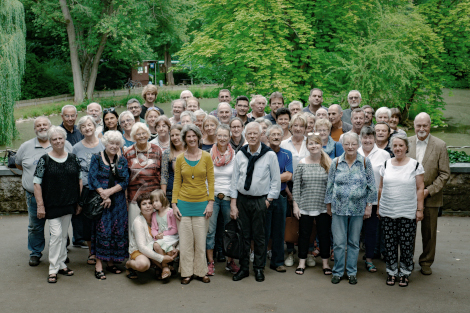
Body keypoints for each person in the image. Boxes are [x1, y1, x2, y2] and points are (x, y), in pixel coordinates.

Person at [15, 117, 73, 267]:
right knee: (35, 225)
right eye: (38, 125)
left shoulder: (63, 143)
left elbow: (73, 164)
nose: (42, 127)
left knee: (59, 227)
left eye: (44, 124)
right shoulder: (25, 146)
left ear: (50, 126)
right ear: (34, 129)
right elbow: (19, 164)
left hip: (59, 197)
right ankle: (35, 252)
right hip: (34, 196)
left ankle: (61, 253)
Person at [230, 122, 281, 282]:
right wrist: (233, 203)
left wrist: (268, 200)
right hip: (243, 200)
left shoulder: (269, 155)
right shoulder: (240, 154)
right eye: (249, 133)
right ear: (245, 135)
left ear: (261, 135)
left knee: (259, 236)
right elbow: (234, 180)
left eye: (255, 134)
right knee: (243, 235)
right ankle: (244, 268)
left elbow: (276, 181)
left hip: (261, 200)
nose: (252, 136)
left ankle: (259, 268)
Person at [325, 132, 377, 285]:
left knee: (354, 242)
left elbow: (372, 187)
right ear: (343, 145)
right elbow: (329, 185)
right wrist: (328, 205)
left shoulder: (365, 162)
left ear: (358, 145)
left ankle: (352, 272)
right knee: (339, 242)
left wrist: (369, 207)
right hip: (338, 208)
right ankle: (338, 271)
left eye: (353, 144)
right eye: (346, 144)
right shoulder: (335, 162)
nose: (350, 147)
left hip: (358, 208)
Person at [33, 126, 82, 283]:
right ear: (50, 141)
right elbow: (36, 183)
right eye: (54, 139)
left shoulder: (73, 158)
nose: (58, 141)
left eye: (60, 138)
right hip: (52, 204)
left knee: (63, 235)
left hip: (69, 202)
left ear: (64, 139)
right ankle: (53, 268)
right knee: (55, 235)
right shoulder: (44, 159)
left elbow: (79, 180)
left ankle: (62, 263)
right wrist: (40, 206)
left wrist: (79, 201)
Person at [378, 134, 425, 286]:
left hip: (407, 212)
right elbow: (381, 187)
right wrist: (379, 207)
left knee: (406, 245)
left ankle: (404, 273)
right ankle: (391, 272)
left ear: (406, 147)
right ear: (391, 148)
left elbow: (420, 188)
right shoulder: (385, 164)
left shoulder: (415, 165)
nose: (398, 149)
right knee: (390, 245)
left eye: (401, 146)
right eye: (395, 146)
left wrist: (420, 209)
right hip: (388, 211)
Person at [407, 112, 450, 276]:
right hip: (408, 196)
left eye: (425, 125)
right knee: (408, 231)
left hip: (431, 198)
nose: (422, 128)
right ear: (414, 125)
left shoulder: (440, 145)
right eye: (419, 125)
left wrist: (428, 191)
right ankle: (407, 260)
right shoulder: (407, 143)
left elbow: (445, 174)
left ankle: (426, 262)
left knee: (429, 233)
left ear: (430, 126)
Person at [172, 124, 215, 284]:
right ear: (185, 139)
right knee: (185, 242)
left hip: (202, 204)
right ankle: (186, 272)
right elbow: (176, 182)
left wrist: (210, 203)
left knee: (200, 241)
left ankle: (201, 271)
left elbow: (211, 181)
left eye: (194, 136)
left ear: (198, 137)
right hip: (183, 204)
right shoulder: (180, 159)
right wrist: (174, 204)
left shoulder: (206, 156)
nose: (191, 139)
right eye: (188, 136)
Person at [89, 131, 129, 280]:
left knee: (116, 230)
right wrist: (103, 194)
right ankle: (99, 264)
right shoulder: (97, 158)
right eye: (111, 143)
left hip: (117, 202)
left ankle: (111, 263)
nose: (114, 146)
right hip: (102, 201)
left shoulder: (122, 160)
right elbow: (92, 178)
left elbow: (125, 181)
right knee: (103, 231)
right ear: (105, 143)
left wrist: (109, 193)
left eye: (117, 143)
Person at [292, 133, 332, 275]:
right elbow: (296, 186)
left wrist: (330, 205)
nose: (313, 146)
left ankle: (325, 264)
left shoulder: (328, 163)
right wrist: (296, 206)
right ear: (307, 146)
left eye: (316, 143)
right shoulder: (302, 164)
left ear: (321, 145)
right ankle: (301, 262)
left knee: (324, 235)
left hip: (323, 206)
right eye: (310, 144)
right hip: (305, 205)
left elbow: (332, 187)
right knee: (304, 235)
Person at [206, 124, 239, 276]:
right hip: (211, 198)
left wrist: (233, 203)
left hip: (227, 197)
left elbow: (235, 180)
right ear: (216, 136)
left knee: (230, 231)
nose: (222, 138)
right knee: (210, 231)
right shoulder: (207, 155)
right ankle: (210, 262)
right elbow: (205, 179)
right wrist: (208, 201)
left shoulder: (235, 156)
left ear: (229, 137)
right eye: (220, 135)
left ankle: (229, 261)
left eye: (225, 135)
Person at [357, 126, 391, 273]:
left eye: (370, 137)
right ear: (360, 138)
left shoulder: (384, 155)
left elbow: (387, 178)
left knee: (371, 231)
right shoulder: (354, 152)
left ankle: (369, 259)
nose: (367, 140)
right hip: (356, 201)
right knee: (354, 232)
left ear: (375, 138)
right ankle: (351, 260)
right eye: (365, 137)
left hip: (375, 201)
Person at [73, 116, 105, 266]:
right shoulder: (76, 148)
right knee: (87, 223)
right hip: (85, 190)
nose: (87, 128)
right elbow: (74, 171)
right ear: (80, 130)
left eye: (89, 125)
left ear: (95, 125)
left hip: (103, 189)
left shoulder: (104, 144)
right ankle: (92, 252)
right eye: (83, 126)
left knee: (103, 222)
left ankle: (104, 251)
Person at [124, 122, 163, 239]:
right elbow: (125, 176)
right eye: (138, 134)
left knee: (155, 227)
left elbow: (161, 173)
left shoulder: (157, 150)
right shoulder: (128, 152)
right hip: (135, 197)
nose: (141, 136)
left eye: (143, 133)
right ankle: (135, 252)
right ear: (133, 137)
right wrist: (126, 198)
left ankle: (154, 252)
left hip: (154, 196)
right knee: (135, 227)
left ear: (148, 134)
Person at [280, 113, 309, 267]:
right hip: (288, 187)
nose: (298, 128)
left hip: (308, 186)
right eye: (295, 125)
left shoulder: (310, 143)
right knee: (290, 218)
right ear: (291, 127)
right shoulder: (284, 144)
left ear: (305, 128)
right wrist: (288, 192)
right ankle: (290, 252)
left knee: (308, 220)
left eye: (301, 126)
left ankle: (308, 251)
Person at [126, 193, 175, 280]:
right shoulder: (138, 222)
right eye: (144, 204)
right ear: (139, 207)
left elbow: (170, 234)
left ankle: (161, 268)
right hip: (139, 250)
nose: (148, 206)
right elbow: (142, 247)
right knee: (143, 265)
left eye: (150, 203)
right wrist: (162, 258)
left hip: (154, 247)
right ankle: (129, 265)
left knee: (168, 248)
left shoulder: (158, 216)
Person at [265, 125, 293, 273]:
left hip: (281, 197)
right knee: (263, 230)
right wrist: (278, 178)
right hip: (264, 197)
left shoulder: (287, 154)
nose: (276, 137)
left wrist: (270, 177)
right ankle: (260, 262)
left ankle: (277, 262)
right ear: (267, 137)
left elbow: (289, 176)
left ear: (282, 137)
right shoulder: (262, 153)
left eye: (278, 134)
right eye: (273, 135)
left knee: (279, 231)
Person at [150, 189, 179, 279]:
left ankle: (164, 267)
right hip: (161, 238)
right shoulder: (155, 214)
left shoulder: (170, 212)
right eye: (152, 202)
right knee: (150, 248)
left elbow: (175, 229)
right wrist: (156, 235)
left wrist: (163, 234)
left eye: (156, 201)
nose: (154, 204)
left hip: (171, 237)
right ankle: (166, 267)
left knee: (156, 246)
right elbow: (153, 228)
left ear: (163, 199)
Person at [161, 124, 184, 203]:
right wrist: (163, 195)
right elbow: (164, 175)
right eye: (172, 135)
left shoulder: (190, 151)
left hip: (187, 192)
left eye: (177, 135)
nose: (175, 138)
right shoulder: (167, 153)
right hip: (171, 193)